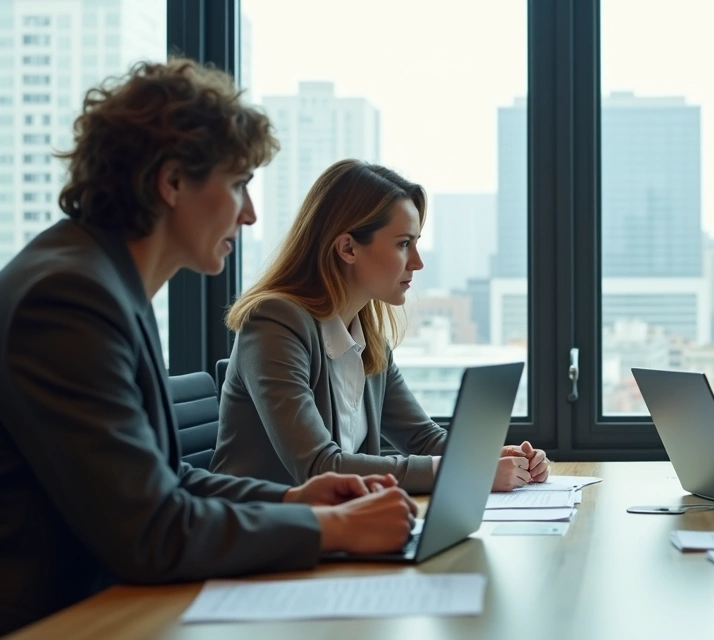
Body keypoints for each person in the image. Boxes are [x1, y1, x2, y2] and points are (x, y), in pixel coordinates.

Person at [0, 60, 417, 635]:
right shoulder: (70, 298)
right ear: (171, 182)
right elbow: (150, 530)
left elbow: (166, 479)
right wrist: (333, 529)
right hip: (59, 619)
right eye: (238, 184)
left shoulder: (103, 281)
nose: (249, 214)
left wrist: (297, 501)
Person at [211, 159, 548, 492]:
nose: (417, 262)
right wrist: (462, 471)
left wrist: (488, 457)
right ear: (347, 248)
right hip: (262, 534)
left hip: (337, 529)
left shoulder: (366, 337)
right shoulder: (274, 322)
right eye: (404, 244)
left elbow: (422, 438)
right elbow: (319, 467)